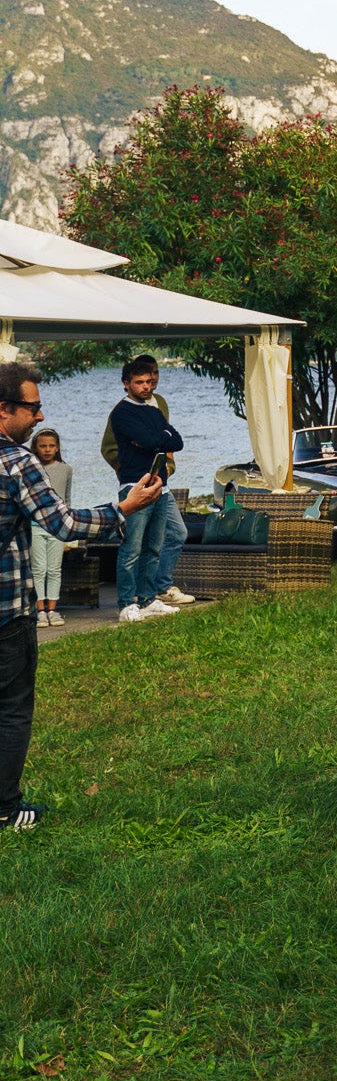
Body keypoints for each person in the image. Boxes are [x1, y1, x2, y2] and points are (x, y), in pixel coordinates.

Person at [0, 361, 163, 829]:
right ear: (4, 409)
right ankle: (7, 810)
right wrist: (122, 508)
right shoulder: (17, 461)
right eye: (31, 408)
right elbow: (65, 524)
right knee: (11, 709)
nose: (40, 416)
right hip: (7, 611)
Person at [105, 355, 196, 622]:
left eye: (148, 381)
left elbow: (176, 441)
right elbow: (148, 439)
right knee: (132, 547)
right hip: (136, 485)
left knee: (154, 546)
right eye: (139, 382)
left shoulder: (154, 409)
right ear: (126, 384)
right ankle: (125, 604)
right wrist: (157, 438)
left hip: (161, 486)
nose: (146, 386)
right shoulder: (122, 412)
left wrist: (157, 439)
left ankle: (147, 600)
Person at [28, 428, 71, 627]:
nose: (47, 450)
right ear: (35, 448)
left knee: (54, 569)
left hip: (57, 527)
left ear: (57, 447)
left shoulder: (65, 469)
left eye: (51, 446)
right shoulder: (30, 468)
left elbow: (67, 500)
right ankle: (40, 610)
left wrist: (70, 531)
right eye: (43, 446)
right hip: (35, 525)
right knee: (39, 569)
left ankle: (52, 609)